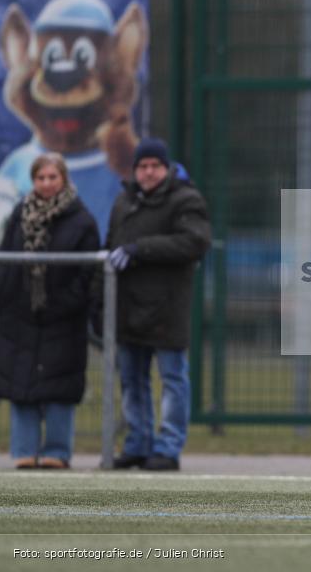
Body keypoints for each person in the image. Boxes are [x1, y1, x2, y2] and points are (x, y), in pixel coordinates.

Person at [106, 138, 210, 471]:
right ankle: (138, 444)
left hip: (167, 310)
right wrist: (100, 306)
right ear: (135, 170)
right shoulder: (124, 202)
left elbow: (194, 241)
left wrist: (141, 248)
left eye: (154, 166)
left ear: (165, 169)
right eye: (142, 166)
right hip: (127, 309)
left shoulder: (186, 200)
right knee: (132, 381)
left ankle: (167, 447)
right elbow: (110, 251)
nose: (148, 172)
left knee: (172, 380)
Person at [0, 153, 99, 469]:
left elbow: (88, 272)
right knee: (21, 384)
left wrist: (65, 302)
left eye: (52, 177)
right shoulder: (19, 214)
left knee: (59, 383)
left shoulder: (81, 220)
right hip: (19, 314)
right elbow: (6, 261)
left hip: (62, 316)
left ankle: (57, 451)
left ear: (64, 179)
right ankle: (24, 450)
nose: (46, 184)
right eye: (40, 178)